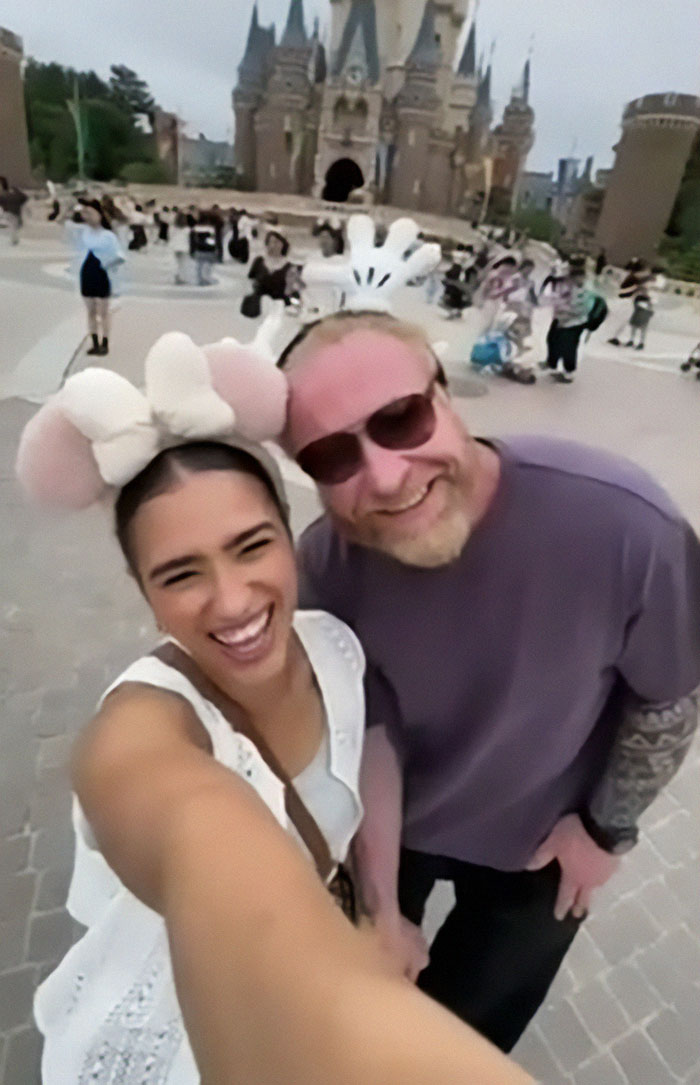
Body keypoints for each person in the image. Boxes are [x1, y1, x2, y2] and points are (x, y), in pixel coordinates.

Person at [17, 330, 531, 1085]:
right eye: (181, 572)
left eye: (252, 546)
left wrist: (380, 908)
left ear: (293, 542)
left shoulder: (331, 646)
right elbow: (207, 850)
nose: (232, 601)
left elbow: (367, 748)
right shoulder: (136, 736)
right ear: (144, 592)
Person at [278, 307, 700, 1054]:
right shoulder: (327, 566)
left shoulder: (623, 524)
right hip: (388, 827)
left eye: (402, 418)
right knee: (364, 1022)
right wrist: (377, 902)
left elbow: (669, 693)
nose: (384, 475)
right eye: (331, 457)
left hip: (541, 841)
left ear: (446, 395)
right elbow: (366, 722)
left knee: (464, 1046)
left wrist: (608, 828)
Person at [63, 198, 125, 356]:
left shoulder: (108, 235)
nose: (87, 216)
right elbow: (64, 223)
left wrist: (106, 264)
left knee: (103, 311)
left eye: (90, 213)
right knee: (90, 311)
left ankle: (105, 342)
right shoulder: (83, 231)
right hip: (87, 273)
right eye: (85, 213)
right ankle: (94, 341)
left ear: (99, 214)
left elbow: (119, 256)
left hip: (102, 273)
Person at [539, 259, 594, 382]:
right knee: (552, 339)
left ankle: (569, 371)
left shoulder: (587, 290)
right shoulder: (568, 285)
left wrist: (564, 307)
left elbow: (583, 307)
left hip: (574, 323)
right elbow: (555, 295)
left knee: (568, 347)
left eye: (579, 277)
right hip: (560, 319)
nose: (575, 280)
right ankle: (551, 362)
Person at [241, 230, 298, 317]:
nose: (274, 245)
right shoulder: (259, 261)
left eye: (277, 242)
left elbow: (292, 289)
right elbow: (250, 280)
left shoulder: (289, 266)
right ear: (267, 244)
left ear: (283, 244)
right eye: (271, 242)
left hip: (281, 308)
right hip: (258, 308)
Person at [190, 211, 218, 286]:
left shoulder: (195, 228)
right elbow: (212, 240)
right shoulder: (210, 228)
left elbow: (192, 241)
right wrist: (214, 249)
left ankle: (199, 280)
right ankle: (207, 279)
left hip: (199, 249)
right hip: (208, 250)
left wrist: (192, 251)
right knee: (208, 266)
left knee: (199, 266)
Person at [0, 175, 28, 245]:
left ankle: (14, 241)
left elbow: (24, 198)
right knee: (14, 225)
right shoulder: (9, 193)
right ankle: (14, 240)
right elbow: (24, 198)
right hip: (10, 215)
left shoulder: (9, 194)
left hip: (11, 215)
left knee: (14, 225)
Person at [171, 210, 191, 284]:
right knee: (183, 264)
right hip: (184, 247)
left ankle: (177, 276)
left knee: (177, 263)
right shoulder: (187, 229)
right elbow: (189, 239)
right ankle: (181, 277)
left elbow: (170, 236)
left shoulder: (173, 228)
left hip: (175, 247)